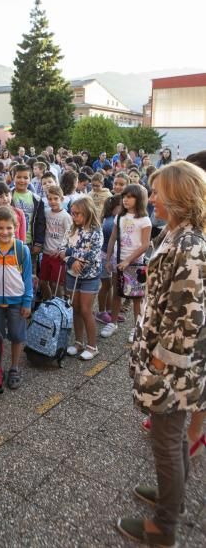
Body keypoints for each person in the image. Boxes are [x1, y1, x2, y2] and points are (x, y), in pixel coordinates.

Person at [117, 160, 206, 548]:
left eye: (157, 192)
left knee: (167, 443)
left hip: (172, 368)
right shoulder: (177, 233)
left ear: (179, 196)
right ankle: (176, 499)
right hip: (168, 361)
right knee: (171, 438)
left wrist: (157, 363)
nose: (151, 198)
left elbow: (187, 316)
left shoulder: (191, 245)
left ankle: (163, 528)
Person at [0, 206, 33, 390]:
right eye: (1, 228)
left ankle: (15, 368)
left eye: (9, 228)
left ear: (16, 227)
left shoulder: (21, 249)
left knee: (17, 336)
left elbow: (27, 278)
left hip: (16, 301)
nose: (5, 232)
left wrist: (27, 301)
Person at [101, 184, 151, 341]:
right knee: (117, 293)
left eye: (130, 197)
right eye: (124, 196)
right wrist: (108, 259)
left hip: (136, 264)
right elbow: (112, 238)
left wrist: (129, 260)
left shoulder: (144, 220)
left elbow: (145, 245)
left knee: (136, 297)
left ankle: (136, 327)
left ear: (139, 199)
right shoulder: (120, 217)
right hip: (118, 261)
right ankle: (113, 322)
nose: (125, 200)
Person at [59, 196, 103, 361]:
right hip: (72, 273)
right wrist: (71, 260)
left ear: (87, 212)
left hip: (89, 275)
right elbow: (62, 249)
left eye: (78, 214)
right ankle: (78, 342)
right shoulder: (71, 227)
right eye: (73, 213)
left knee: (85, 309)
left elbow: (92, 254)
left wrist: (72, 255)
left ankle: (92, 346)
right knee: (75, 308)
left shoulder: (96, 230)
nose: (74, 217)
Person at [40, 185, 72, 300]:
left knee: (56, 284)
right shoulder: (46, 213)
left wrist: (60, 249)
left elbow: (69, 236)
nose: (52, 201)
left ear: (62, 199)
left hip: (58, 256)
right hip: (46, 253)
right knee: (42, 282)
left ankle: (59, 307)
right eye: (50, 199)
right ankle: (48, 304)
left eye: (55, 198)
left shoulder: (66, 217)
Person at [95, 194, 122, 325]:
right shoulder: (112, 222)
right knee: (105, 285)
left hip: (108, 255)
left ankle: (110, 310)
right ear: (117, 207)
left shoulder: (111, 218)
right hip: (105, 256)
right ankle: (101, 312)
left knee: (109, 284)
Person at [11, 164, 45, 261]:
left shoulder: (37, 200)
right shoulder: (8, 196)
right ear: (13, 178)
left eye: (25, 177)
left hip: (29, 243)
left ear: (30, 179)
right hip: (11, 241)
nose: (22, 180)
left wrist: (38, 243)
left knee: (29, 273)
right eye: (19, 177)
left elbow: (40, 223)